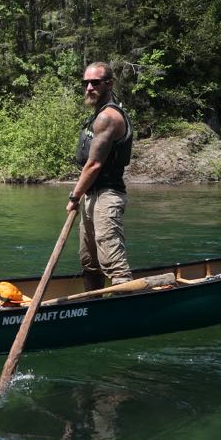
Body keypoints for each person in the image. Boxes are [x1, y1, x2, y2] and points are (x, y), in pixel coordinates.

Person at [66, 61, 134, 291]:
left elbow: (94, 165)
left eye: (95, 83)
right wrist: (82, 197)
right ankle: (92, 305)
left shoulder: (108, 117)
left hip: (107, 196)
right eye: (85, 83)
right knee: (90, 262)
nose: (89, 88)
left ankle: (124, 309)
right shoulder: (97, 115)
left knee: (113, 262)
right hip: (92, 195)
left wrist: (74, 197)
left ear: (109, 83)